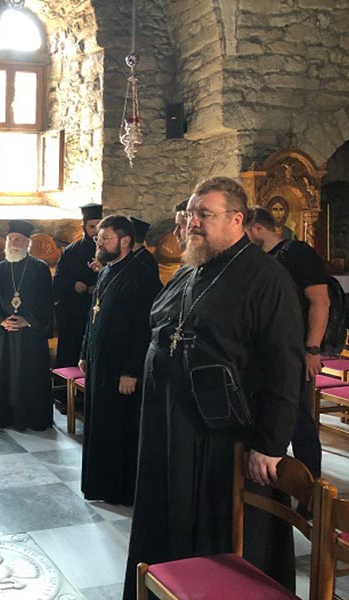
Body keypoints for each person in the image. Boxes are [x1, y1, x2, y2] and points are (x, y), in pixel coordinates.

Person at [123, 177, 304, 599]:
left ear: (237, 219)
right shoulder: (192, 268)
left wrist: (271, 444)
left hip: (224, 438)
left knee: (216, 538)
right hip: (171, 426)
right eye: (190, 214)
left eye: (204, 214)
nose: (192, 223)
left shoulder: (267, 278)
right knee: (168, 523)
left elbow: (285, 366)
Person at [78, 215, 161, 505]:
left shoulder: (141, 276)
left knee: (119, 429)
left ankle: (120, 490)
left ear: (125, 241)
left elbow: (144, 328)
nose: (99, 243)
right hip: (99, 364)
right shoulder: (105, 272)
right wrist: (84, 352)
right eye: (98, 238)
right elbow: (93, 316)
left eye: (105, 238)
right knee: (100, 426)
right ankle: (100, 485)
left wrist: (131, 371)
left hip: (121, 370)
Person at [245, 206, 327, 478]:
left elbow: (320, 302)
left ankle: (311, 486)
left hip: (295, 351)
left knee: (298, 418)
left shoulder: (298, 253)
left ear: (257, 228)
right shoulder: (260, 259)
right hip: (267, 351)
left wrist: (312, 349)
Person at [0, 220, 54, 431]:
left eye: (18, 240)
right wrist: (1, 321)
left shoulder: (40, 268)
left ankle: (34, 418)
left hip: (31, 336)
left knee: (31, 376)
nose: (13, 243)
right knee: (7, 375)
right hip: (7, 335)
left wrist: (28, 320)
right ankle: (7, 417)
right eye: (10, 239)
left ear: (27, 243)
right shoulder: (0, 269)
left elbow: (47, 302)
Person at [52, 203, 102, 368]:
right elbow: (58, 281)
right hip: (74, 313)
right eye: (92, 227)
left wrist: (98, 287)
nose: (96, 231)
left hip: (99, 311)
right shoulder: (71, 251)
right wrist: (74, 285)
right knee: (70, 353)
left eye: (99, 227)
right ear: (83, 227)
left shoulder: (109, 251)